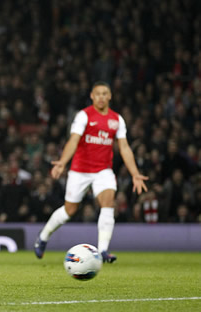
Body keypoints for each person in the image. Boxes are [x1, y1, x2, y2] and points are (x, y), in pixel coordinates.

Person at [34, 81, 148, 263]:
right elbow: (73, 141)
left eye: (105, 94)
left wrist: (135, 173)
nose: (101, 97)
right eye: (98, 94)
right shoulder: (84, 116)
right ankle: (44, 236)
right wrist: (63, 162)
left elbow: (124, 147)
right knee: (69, 210)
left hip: (103, 170)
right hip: (80, 170)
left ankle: (103, 251)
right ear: (92, 96)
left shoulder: (116, 119)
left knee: (108, 201)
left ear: (110, 96)